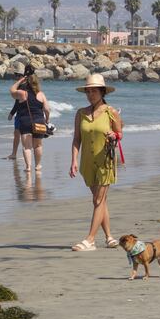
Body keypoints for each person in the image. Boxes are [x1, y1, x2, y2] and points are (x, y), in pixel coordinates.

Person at [69, 74, 123, 252]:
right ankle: (109, 237)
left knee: (98, 199)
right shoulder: (81, 113)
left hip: (105, 160)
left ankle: (90, 240)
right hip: (87, 162)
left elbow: (119, 134)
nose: (90, 94)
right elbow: (77, 139)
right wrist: (73, 161)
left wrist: (113, 135)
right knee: (99, 200)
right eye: (88, 91)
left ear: (102, 92)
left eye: (94, 91)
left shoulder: (111, 112)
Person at [10, 72, 50, 172]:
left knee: (27, 147)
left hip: (25, 122)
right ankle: (38, 166)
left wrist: (20, 80)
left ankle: (28, 167)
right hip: (39, 122)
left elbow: (12, 90)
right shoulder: (41, 94)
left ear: (26, 82)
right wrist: (47, 120)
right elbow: (47, 109)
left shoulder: (22, 93)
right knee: (38, 145)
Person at [5, 66, 26, 159]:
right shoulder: (31, 86)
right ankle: (21, 153)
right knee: (20, 134)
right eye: (16, 76)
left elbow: (17, 102)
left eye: (17, 76)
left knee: (18, 134)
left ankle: (15, 154)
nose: (16, 78)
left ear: (22, 76)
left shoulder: (22, 87)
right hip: (28, 113)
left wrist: (11, 113)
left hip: (22, 114)